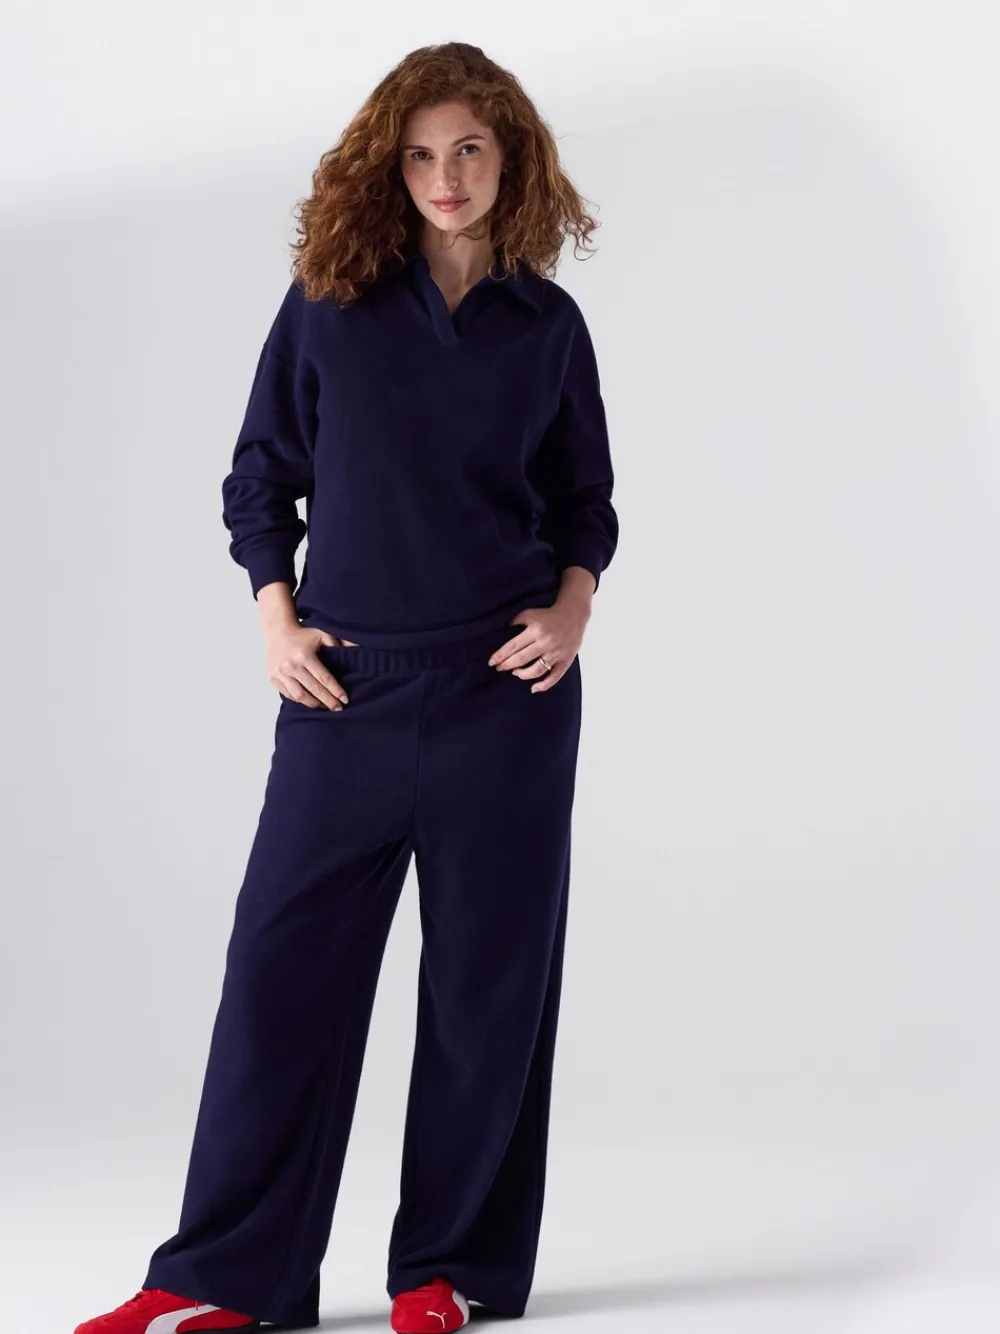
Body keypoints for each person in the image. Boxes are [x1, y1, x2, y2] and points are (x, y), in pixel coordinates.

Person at [74, 40, 618, 1334]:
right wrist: (276, 619)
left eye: (470, 149)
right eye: (422, 154)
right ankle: (222, 1275)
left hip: (504, 700)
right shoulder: (330, 303)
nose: (446, 176)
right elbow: (260, 476)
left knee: (488, 990)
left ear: (513, 159)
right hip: (344, 695)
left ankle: (451, 1270)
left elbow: (586, 504)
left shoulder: (547, 326)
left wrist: (572, 611)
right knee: (280, 981)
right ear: (390, 166)